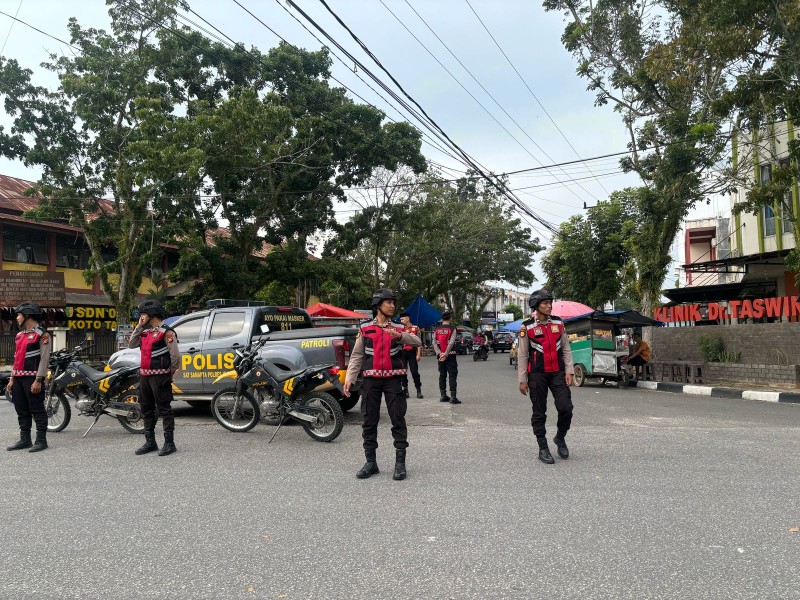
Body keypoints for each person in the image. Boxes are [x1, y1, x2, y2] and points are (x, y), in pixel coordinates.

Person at [344, 289, 421, 480]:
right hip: (371, 381)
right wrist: (350, 378)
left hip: (393, 380)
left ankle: (400, 464)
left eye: (393, 303)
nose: (392, 306)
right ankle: (371, 463)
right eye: (388, 302)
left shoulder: (399, 327)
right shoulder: (365, 328)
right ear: (378, 305)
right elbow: (357, 355)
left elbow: (417, 341)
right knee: (369, 420)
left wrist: (399, 336)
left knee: (398, 419)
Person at [517, 289, 574, 465]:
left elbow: (566, 348)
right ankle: (543, 447)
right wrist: (522, 380)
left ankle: (560, 438)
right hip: (537, 375)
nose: (549, 306)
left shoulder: (558, 323)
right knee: (539, 412)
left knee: (566, 408)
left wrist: (569, 370)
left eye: (550, 303)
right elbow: (523, 355)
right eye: (545, 303)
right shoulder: (527, 327)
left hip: (558, 373)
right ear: (536, 305)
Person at [129, 299, 180, 456]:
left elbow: (175, 357)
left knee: (164, 409)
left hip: (160, 377)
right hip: (144, 377)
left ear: (151, 314)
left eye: (143, 314)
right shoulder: (145, 332)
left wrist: (168, 375)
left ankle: (169, 443)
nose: (141, 317)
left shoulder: (167, 332)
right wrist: (139, 326)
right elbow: (131, 344)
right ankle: (150, 442)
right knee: (146, 409)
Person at [6, 302, 52, 452]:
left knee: (37, 409)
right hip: (18, 378)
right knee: (21, 409)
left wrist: (38, 380)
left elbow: (44, 359)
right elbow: (16, 358)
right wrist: (12, 378)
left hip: (32, 379)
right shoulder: (19, 336)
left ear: (27, 316)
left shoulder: (42, 334)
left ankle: (41, 440)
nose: (17, 318)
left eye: (19, 315)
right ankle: (25, 439)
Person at [433, 311, 459, 404]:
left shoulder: (437, 329)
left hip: (440, 356)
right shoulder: (452, 329)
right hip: (450, 355)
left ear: (442, 319)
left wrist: (439, 353)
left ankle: (443, 395)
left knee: (442, 375)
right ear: (450, 318)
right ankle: (453, 397)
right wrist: (446, 353)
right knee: (452, 375)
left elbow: (434, 342)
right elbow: (451, 342)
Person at [399, 311, 424, 399]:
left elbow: (419, 342)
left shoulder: (415, 328)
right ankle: (405, 390)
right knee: (403, 372)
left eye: (402, 319)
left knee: (414, 372)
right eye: (400, 319)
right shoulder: (400, 329)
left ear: (407, 318)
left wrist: (418, 354)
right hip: (402, 352)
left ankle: (418, 390)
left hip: (412, 352)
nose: (401, 321)